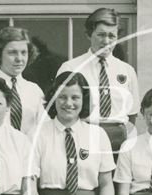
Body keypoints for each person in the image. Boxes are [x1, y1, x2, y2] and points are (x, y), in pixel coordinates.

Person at [57, 7, 140, 154]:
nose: (106, 41)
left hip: (118, 139)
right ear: (89, 35)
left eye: (111, 36)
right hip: (83, 135)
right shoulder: (71, 67)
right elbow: (60, 109)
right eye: (101, 35)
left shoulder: (127, 70)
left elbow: (132, 114)